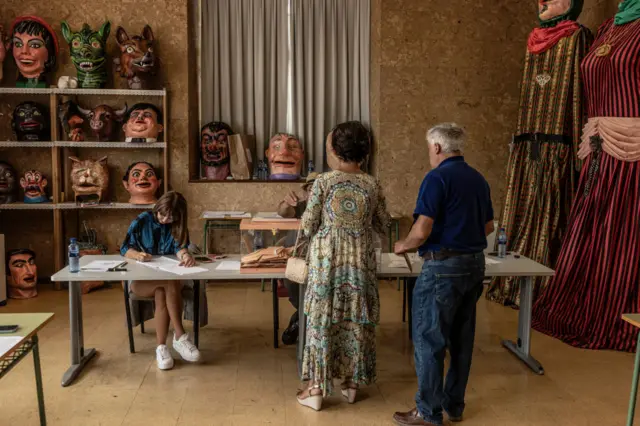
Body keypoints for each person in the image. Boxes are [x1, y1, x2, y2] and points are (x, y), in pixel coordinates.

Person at [392, 123, 494, 426]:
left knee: (428, 340)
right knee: (462, 340)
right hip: (474, 265)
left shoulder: (436, 178)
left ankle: (427, 411)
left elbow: (421, 230)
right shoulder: (478, 179)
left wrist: (402, 245)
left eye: (428, 148)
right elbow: (488, 227)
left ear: (436, 147)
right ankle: (455, 406)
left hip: (442, 268)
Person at [296, 121, 390, 411]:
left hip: (328, 263)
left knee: (322, 322)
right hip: (360, 263)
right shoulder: (373, 184)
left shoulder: (323, 182)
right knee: (355, 320)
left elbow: (308, 224)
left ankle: (315, 390)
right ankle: (351, 385)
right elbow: (384, 224)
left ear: (335, 151)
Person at [120, 191, 201, 370]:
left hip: (163, 278)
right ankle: (180, 336)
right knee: (170, 281)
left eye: (170, 218)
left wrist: (185, 255)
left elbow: (179, 247)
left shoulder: (177, 225)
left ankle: (161, 347)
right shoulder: (142, 220)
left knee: (161, 292)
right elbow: (125, 248)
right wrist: (138, 255)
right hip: (140, 279)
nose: (165, 220)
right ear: (158, 208)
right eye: (162, 215)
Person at [276, 172, 318, 345]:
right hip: (297, 262)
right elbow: (283, 211)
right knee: (295, 292)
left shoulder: (331, 208)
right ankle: (301, 319)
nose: (313, 193)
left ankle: (300, 322)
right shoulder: (301, 206)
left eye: (317, 189)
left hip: (319, 262)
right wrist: (286, 203)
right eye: (310, 189)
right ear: (306, 192)